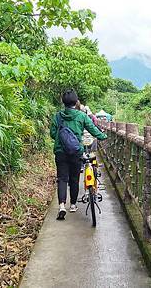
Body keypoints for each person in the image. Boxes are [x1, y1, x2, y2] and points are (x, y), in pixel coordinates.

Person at [49, 90, 107, 220]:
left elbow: (53, 134)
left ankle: (62, 205)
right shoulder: (81, 116)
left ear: (63, 102)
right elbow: (93, 129)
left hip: (60, 151)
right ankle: (73, 204)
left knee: (62, 178)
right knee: (74, 179)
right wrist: (103, 136)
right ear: (76, 102)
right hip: (76, 151)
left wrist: (62, 138)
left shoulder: (57, 116)